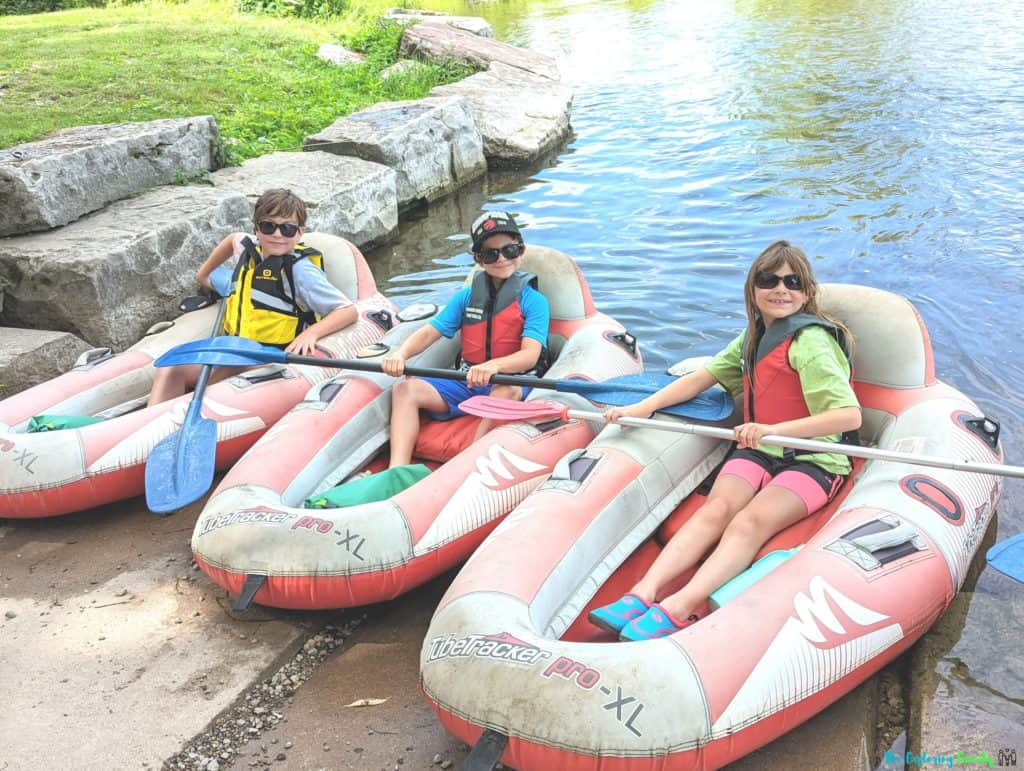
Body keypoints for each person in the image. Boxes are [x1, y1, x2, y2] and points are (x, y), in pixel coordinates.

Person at [589, 240, 861, 641]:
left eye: (792, 281)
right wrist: (642, 407)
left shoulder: (812, 343)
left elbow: (848, 415)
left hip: (816, 459)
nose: (780, 289)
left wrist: (774, 431)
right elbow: (703, 377)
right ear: (753, 289)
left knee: (747, 523)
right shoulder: (754, 338)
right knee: (716, 509)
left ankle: (678, 608)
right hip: (760, 449)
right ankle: (641, 593)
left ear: (807, 292)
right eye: (769, 280)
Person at [148, 188, 359, 406]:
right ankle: (150, 424)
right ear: (256, 229)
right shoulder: (248, 250)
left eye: (287, 228)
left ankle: (185, 411)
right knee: (170, 370)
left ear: (299, 232)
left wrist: (311, 334)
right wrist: (203, 275)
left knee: (221, 376)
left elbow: (347, 310)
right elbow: (233, 239)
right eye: (268, 226)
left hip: (273, 358)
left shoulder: (301, 272)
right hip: (235, 350)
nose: (277, 234)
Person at [381, 211, 550, 468]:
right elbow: (430, 332)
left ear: (521, 250)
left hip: (511, 379)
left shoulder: (534, 301)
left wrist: (494, 366)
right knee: (405, 389)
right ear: (478, 260)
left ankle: (467, 467)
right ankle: (396, 470)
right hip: (467, 380)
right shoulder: (466, 298)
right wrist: (401, 354)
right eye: (490, 254)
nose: (502, 259)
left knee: (504, 393)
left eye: (509, 250)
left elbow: (530, 355)